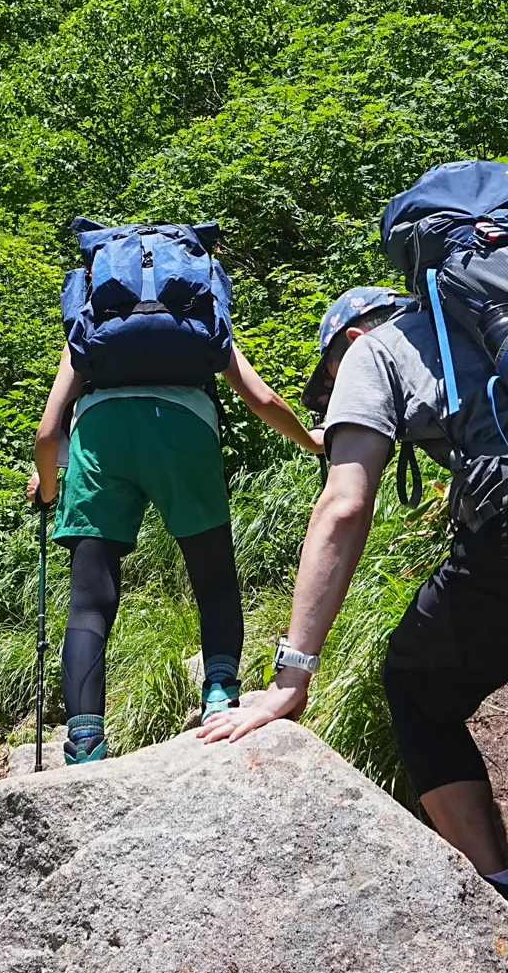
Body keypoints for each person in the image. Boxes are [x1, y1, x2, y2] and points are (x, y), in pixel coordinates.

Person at [199, 265, 508, 917]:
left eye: (328, 378)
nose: (331, 391)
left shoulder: (374, 350)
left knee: (414, 687)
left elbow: (344, 506)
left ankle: (498, 899)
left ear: (350, 335)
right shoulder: (500, 323)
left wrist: (293, 674)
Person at [27, 325, 319, 764]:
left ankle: (85, 742)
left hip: (99, 432)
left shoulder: (94, 319)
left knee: (89, 602)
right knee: (215, 581)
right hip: (185, 425)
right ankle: (219, 699)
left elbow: (47, 434)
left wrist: (48, 485)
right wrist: (311, 441)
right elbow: (261, 399)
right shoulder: (197, 310)